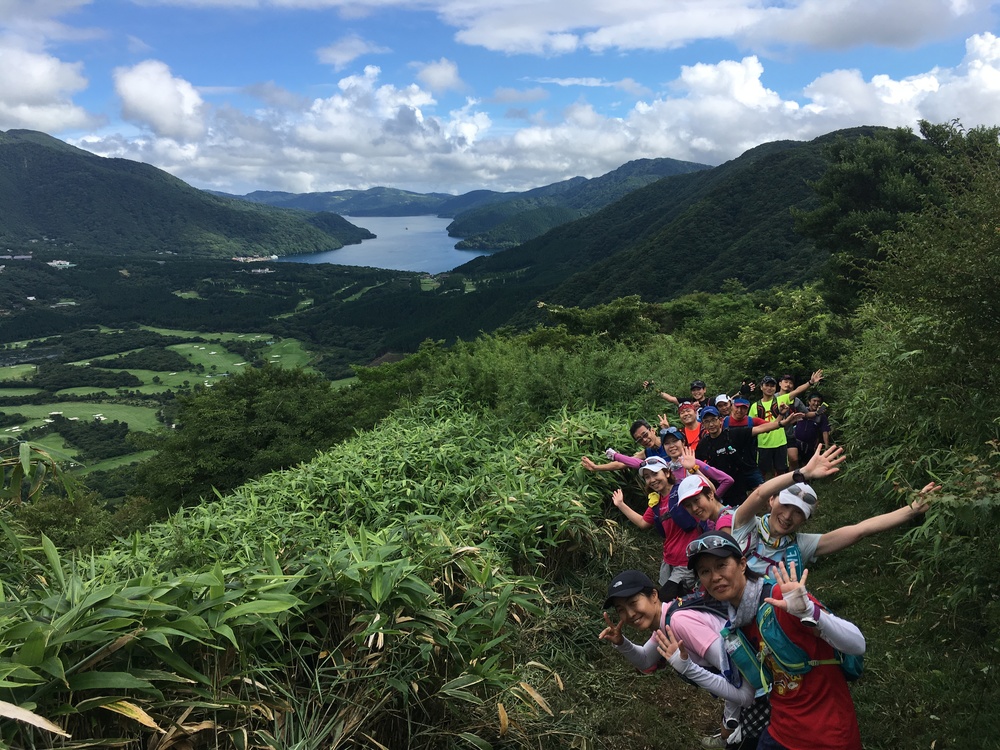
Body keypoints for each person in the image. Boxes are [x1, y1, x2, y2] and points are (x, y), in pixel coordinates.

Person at [657, 531, 867, 750]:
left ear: (742, 564)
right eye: (705, 571)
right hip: (780, 733)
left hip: (828, 736)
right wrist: (688, 668)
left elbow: (858, 644)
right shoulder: (736, 626)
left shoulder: (782, 600)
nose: (714, 577)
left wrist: (812, 613)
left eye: (721, 565)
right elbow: (745, 696)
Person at [599, 568, 766, 749]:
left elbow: (741, 684)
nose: (630, 614)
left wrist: (729, 721)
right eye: (621, 610)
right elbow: (646, 659)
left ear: (654, 595)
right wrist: (621, 642)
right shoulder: (666, 620)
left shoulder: (680, 623)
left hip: (762, 700)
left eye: (633, 602)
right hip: (750, 695)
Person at [729, 448, 941, 575]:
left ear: (805, 519)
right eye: (785, 505)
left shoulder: (800, 545)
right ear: (772, 500)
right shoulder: (745, 523)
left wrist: (912, 510)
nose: (787, 516)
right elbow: (758, 495)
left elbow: (861, 530)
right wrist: (801, 473)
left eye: (798, 512)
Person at [611, 449, 733, 597]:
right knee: (673, 600)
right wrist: (621, 504)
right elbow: (643, 523)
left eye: (655, 474)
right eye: (647, 477)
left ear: (667, 473)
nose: (652, 480)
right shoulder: (656, 502)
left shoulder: (683, 493)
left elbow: (709, 490)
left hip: (687, 559)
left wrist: (693, 469)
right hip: (668, 560)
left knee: (666, 599)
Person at [696, 405, 804, 505]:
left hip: (741, 476)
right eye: (707, 422)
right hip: (721, 484)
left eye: (713, 420)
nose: (711, 424)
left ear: (720, 420)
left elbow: (760, 429)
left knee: (764, 494)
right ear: (703, 424)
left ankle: (774, 515)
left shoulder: (733, 434)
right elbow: (696, 464)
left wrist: (783, 423)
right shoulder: (703, 445)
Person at [752, 371, 822, 478]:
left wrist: (810, 382)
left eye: (772, 386)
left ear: (775, 387)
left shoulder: (782, 400)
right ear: (761, 387)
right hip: (764, 443)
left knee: (782, 469)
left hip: (782, 441)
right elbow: (752, 426)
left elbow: (798, 392)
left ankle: (784, 488)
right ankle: (760, 492)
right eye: (767, 385)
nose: (769, 388)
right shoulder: (755, 406)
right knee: (762, 471)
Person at [581, 418, 667, 472]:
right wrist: (596, 467)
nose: (644, 440)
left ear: (652, 430)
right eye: (639, 440)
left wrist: (667, 429)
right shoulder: (647, 452)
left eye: (645, 435)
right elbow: (621, 464)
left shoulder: (669, 441)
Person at [792, 394, 831, 466]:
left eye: (818, 401)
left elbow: (825, 431)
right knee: (794, 462)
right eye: (814, 401)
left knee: (806, 465)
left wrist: (826, 446)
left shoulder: (822, 417)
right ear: (809, 402)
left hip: (810, 445)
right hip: (796, 442)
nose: (816, 403)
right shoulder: (802, 411)